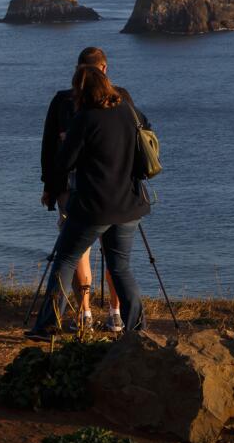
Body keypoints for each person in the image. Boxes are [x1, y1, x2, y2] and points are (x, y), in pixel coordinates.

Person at [28, 64, 150, 338]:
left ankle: (49, 326)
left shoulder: (85, 118)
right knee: (121, 268)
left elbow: (64, 162)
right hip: (129, 205)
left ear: (81, 91)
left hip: (94, 207)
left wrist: (67, 140)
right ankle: (137, 329)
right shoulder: (128, 111)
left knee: (65, 260)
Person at [40, 46, 125, 332]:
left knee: (76, 253)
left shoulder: (63, 101)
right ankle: (115, 313)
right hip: (115, 189)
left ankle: (85, 313)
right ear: (104, 69)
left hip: (72, 190)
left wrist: (49, 187)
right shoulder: (119, 99)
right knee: (115, 255)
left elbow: (50, 149)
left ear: (77, 71)